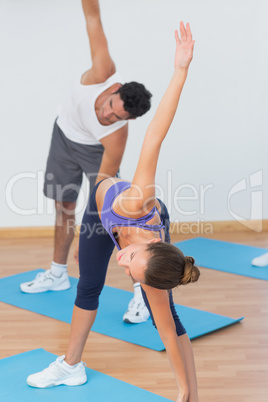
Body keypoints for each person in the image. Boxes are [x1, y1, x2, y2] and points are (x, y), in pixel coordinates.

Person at [26, 22, 199, 402]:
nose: (121, 259)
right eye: (131, 258)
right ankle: (70, 366)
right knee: (89, 284)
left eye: (128, 269)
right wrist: (181, 70)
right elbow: (155, 133)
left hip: (112, 212)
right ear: (151, 243)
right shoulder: (140, 201)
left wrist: (186, 392)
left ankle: (194, 393)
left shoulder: (151, 265)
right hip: (102, 209)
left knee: (163, 316)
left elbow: (168, 333)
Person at [19, 0, 152, 324]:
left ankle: (141, 296)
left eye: (116, 116)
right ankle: (57, 273)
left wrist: (87, 236)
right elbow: (92, 15)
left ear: (127, 119)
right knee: (63, 206)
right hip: (64, 136)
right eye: (110, 105)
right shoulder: (102, 70)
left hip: (95, 152)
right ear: (114, 89)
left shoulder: (116, 137)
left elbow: (100, 198)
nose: (106, 114)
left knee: (116, 219)